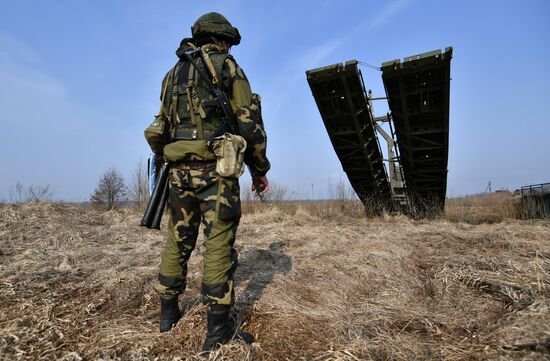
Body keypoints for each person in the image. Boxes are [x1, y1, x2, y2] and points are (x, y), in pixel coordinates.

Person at [143, 12, 270, 351]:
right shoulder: (227, 67)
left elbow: (163, 124)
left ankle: (167, 316)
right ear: (223, 39)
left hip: (177, 171)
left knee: (178, 239)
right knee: (218, 242)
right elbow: (248, 122)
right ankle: (218, 332)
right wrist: (260, 168)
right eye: (227, 41)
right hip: (216, 170)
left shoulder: (172, 74)